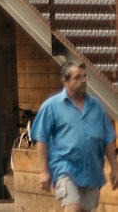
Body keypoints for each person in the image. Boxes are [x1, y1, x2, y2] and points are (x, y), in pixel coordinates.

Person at [30, 61, 118, 212]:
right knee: (73, 208)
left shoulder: (97, 107)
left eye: (85, 77)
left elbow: (108, 138)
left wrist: (115, 168)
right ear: (65, 80)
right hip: (64, 167)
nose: (83, 80)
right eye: (77, 77)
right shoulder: (52, 106)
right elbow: (41, 138)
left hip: (92, 170)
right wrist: (44, 170)